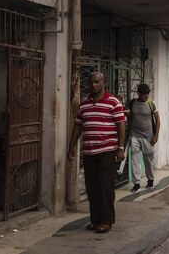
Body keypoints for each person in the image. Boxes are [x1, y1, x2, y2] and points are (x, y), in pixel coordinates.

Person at [67, 72, 126, 234]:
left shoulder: (113, 102)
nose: (94, 85)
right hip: (89, 152)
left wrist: (120, 148)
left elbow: (121, 125)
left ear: (104, 83)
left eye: (97, 82)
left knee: (105, 187)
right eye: (91, 82)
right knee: (92, 187)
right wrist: (71, 146)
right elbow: (78, 125)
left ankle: (106, 221)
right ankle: (95, 220)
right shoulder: (84, 104)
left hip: (107, 151)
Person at [127, 84, 160, 192]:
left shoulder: (151, 104)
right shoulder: (132, 103)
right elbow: (130, 118)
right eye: (143, 94)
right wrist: (129, 133)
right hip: (135, 135)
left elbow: (158, 120)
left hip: (148, 137)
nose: (146, 96)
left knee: (148, 160)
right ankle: (136, 183)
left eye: (147, 93)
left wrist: (156, 136)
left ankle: (150, 180)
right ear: (138, 93)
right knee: (134, 160)